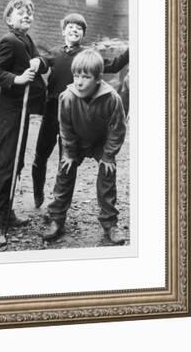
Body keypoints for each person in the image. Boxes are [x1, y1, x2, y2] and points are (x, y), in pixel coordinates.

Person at [31, 14, 129, 208]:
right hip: (52, 110)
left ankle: (59, 201)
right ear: (63, 31)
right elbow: (42, 63)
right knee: (41, 154)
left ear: (83, 34)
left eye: (79, 28)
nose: (74, 30)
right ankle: (37, 193)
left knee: (67, 157)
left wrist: (131, 51)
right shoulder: (54, 52)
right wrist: (37, 63)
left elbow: (114, 65)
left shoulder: (88, 57)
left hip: (74, 112)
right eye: (70, 27)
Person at [42, 49, 127, 244]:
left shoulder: (112, 98)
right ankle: (56, 218)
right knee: (64, 172)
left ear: (98, 78)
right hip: (76, 141)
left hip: (100, 142)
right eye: (76, 75)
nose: (79, 81)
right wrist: (70, 153)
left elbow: (118, 129)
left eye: (86, 77)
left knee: (108, 174)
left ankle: (110, 223)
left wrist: (108, 155)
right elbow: (65, 127)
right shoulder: (67, 97)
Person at [0, 0, 48, 247]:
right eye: (21, 12)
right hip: (10, 110)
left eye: (29, 13)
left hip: (22, 111)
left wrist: (39, 62)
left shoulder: (27, 39)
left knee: (17, 161)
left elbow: (38, 65)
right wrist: (17, 79)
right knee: (7, 162)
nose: (26, 16)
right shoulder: (8, 40)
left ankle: (7, 209)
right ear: (9, 18)